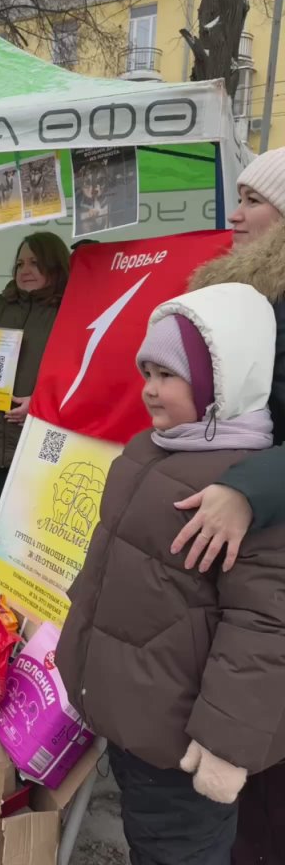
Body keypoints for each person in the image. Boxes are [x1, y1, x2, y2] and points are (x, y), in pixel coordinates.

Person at [57, 282, 285, 865]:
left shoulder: (244, 488)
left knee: (179, 850)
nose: (150, 389)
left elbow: (263, 628)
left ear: (219, 382)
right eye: (147, 371)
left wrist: (226, 745)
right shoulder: (149, 450)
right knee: (148, 838)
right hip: (136, 717)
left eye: (168, 375)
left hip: (185, 746)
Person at [168, 147, 285, 865]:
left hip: (268, 560)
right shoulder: (248, 299)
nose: (233, 215)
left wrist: (250, 489)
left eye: (253, 201)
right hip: (224, 557)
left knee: (263, 759)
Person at [0, 232, 69, 515]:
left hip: (41, 435)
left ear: (55, 265)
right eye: (20, 264)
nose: (25, 271)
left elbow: (81, 372)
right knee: (0, 522)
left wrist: (40, 403)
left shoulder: (71, 310)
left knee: (36, 522)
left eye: (35, 263)